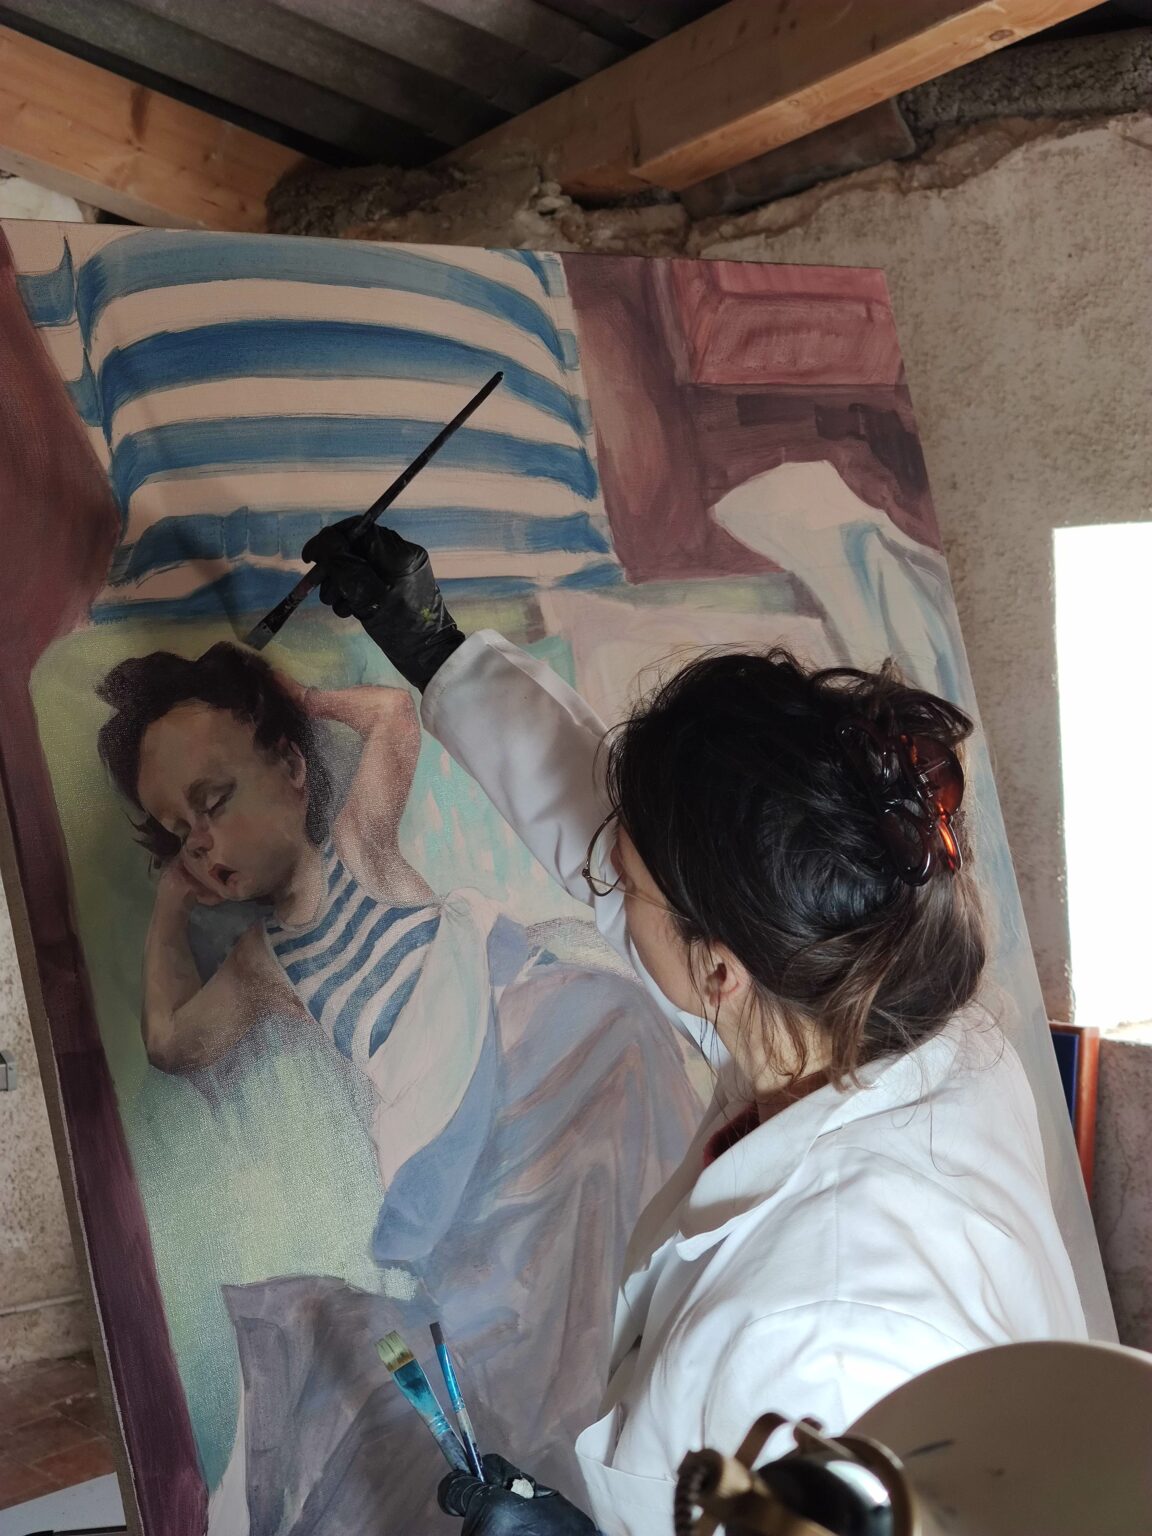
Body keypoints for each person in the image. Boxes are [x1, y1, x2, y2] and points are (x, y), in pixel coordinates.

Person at [301, 520, 1090, 1536]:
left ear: (720, 966)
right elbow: (626, 827)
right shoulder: (882, 1018)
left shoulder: (818, 1343)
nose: (604, 893)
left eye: (625, 886)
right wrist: (438, 652)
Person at [95, 643, 703, 1531]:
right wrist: (170, 904)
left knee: (612, 1040)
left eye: (214, 802)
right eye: (175, 832)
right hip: (447, 1138)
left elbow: (391, 714)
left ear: (291, 770)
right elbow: (167, 1042)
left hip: (522, 1041)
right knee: (513, 1321)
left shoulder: (356, 847)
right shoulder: (264, 963)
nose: (201, 841)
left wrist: (299, 695)